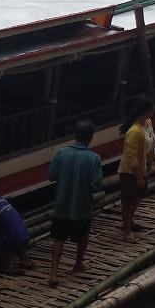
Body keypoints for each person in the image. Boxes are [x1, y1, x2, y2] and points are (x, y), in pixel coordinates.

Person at [48, 120, 103, 287]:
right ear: (91, 138)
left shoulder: (61, 153)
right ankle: (78, 264)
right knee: (83, 236)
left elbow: (51, 176)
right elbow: (96, 183)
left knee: (59, 238)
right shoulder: (93, 158)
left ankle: (53, 273)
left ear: (74, 135)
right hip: (82, 205)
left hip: (61, 204)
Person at [117, 96, 155, 239]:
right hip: (130, 171)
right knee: (129, 201)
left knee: (137, 197)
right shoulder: (134, 131)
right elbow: (131, 156)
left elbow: (150, 144)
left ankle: (129, 221)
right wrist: (138, 176)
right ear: (148, 111)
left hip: (144, 168)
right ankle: (127, 230)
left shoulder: (147, 123)